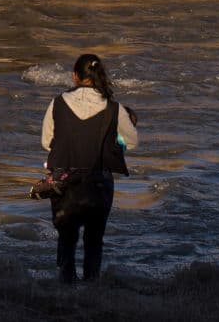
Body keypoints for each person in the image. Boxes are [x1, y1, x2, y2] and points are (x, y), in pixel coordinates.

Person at [40, 53, 139, 283]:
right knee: (94, 241)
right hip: (99, 184)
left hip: (64, 183)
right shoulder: (115, 108)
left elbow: (46, 142)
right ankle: (92, 289)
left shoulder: (57, 103)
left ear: (75, 76)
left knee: (67, 240)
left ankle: (65, 291)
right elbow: (132, 141)